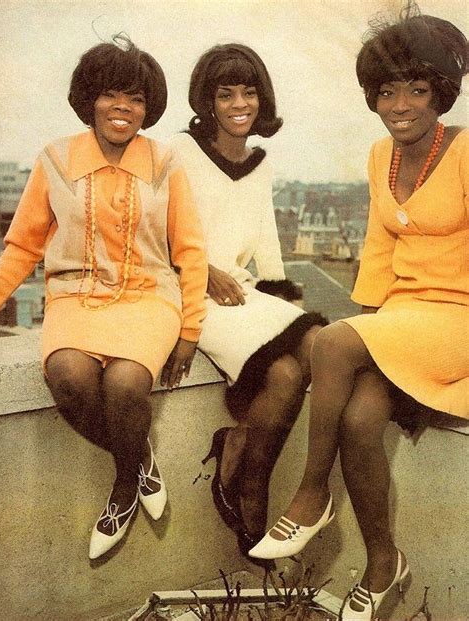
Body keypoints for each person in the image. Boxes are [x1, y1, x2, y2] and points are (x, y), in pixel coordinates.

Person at [249, 5, 468, 619]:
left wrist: (355, 339)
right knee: (358, 418)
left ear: (441, 93)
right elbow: (377, 252)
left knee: (330, 341)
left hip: (459, 322)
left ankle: (313, 494)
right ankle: (383, 561)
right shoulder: (381, 157)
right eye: (386, 91)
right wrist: (370, 337)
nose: (401, 104)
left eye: (417, 90)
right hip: (403, 322)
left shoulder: (468, 152)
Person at [0, 36, 208, 561]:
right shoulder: (55, 159)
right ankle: (138, 461)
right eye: (111, 94)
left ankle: (121, 490)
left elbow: (191, 250)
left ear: (147, 107)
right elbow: (23, 246)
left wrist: (190, 331)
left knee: (127, 382)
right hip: (74, 295)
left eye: (135, 98)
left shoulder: (165, 163)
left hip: (148, 297)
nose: (123, 108)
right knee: (68, 378)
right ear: (90, 98)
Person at [167, 43, 327, 565]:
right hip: (187, 291)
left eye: (249, 91)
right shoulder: (179, 151)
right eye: (225, 93)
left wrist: (278, 291)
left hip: (240, 293)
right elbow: (153, 229)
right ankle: (252, 490)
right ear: (207, 101)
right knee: (283, 367)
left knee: (309, 350)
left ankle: (241, 464)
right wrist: (201, 269)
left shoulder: (260, 163)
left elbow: (266, 238)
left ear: (262, 98)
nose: (240, 103)